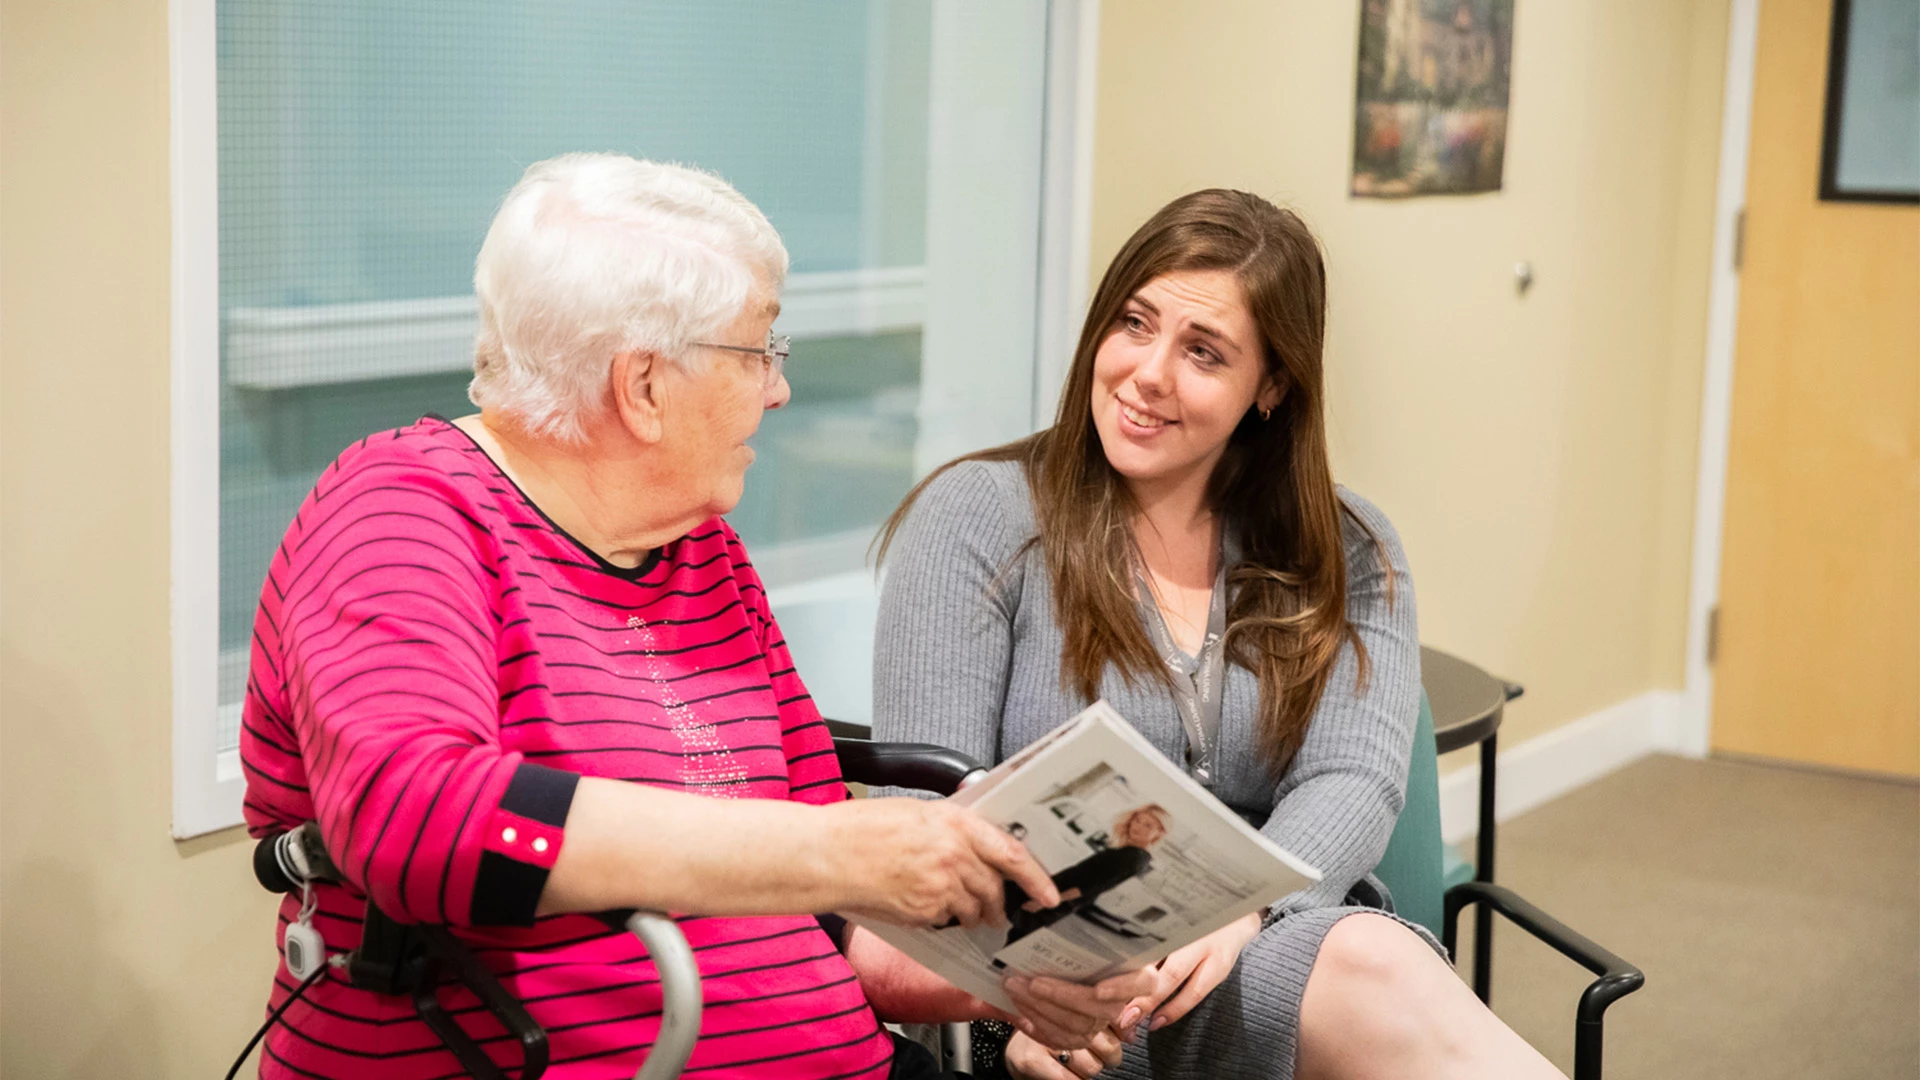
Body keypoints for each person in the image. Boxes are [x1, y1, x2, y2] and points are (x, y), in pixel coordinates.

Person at [239, 153, 1151, 1080]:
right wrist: (836, 849)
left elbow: (828, 925)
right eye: (760, 350)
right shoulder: (402, 510)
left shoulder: (699, 551)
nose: (777, 389)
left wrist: (1006, 980)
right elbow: (420, 819)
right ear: (642, 386)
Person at [871, 190, 1566, 1080]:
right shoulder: (979, 517)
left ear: (1271, 386)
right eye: (1134, 322)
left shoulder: (1347, 547)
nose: (1148, 373)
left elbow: (1352, 775)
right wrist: (1023, 993)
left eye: (1203, 353)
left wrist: (1245, 915)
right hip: (1053, 994)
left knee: (1374, 958)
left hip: (1266, 949)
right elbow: (928, 820)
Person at [1000, 805, 1169, 949]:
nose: (1137, 827)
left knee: (1018, 924)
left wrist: (1048, 900)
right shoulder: (1131, 852)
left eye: (1148, 825)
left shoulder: (1135, 857)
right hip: (1058, 890)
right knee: (1017, 926)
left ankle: (997, 967)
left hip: (1062, 896)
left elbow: (1093, 886)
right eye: (1137, 820)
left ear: (1158, 833)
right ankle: (997, 965)